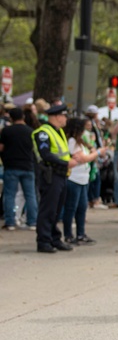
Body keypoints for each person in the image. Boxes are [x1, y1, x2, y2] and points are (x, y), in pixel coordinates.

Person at [32, 102, 76, 253]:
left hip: (61, 174)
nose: (66, 119)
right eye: (64, 116)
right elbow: (46, 154)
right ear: (56, 117)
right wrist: (66, 162)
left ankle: (54, 238)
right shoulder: (43, 132)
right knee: (48, 209)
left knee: (57, 209)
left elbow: (61, 152)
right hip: (50, 174)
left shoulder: (58, 131)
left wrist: (71, 159)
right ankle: (43, 241)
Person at [62, 117, 105, 245]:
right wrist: (97, 152)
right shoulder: (71, 142)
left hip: (83, 179)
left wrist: (92, 149)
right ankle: (68, 234)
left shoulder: (80, 142)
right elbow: (83, 158)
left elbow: (86, 154)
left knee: (82, 207)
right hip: (74, 178)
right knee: (71, 207)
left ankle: (81, 233)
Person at [0, 106, 39, 231]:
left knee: (10, 194)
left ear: (11, 118)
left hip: (11, 166)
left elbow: (1, 148)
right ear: (23, 117)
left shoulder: (7, 131)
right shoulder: (31, 131)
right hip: (27, 165)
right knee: (30, 194)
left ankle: (10, 221)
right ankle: (32, 221)